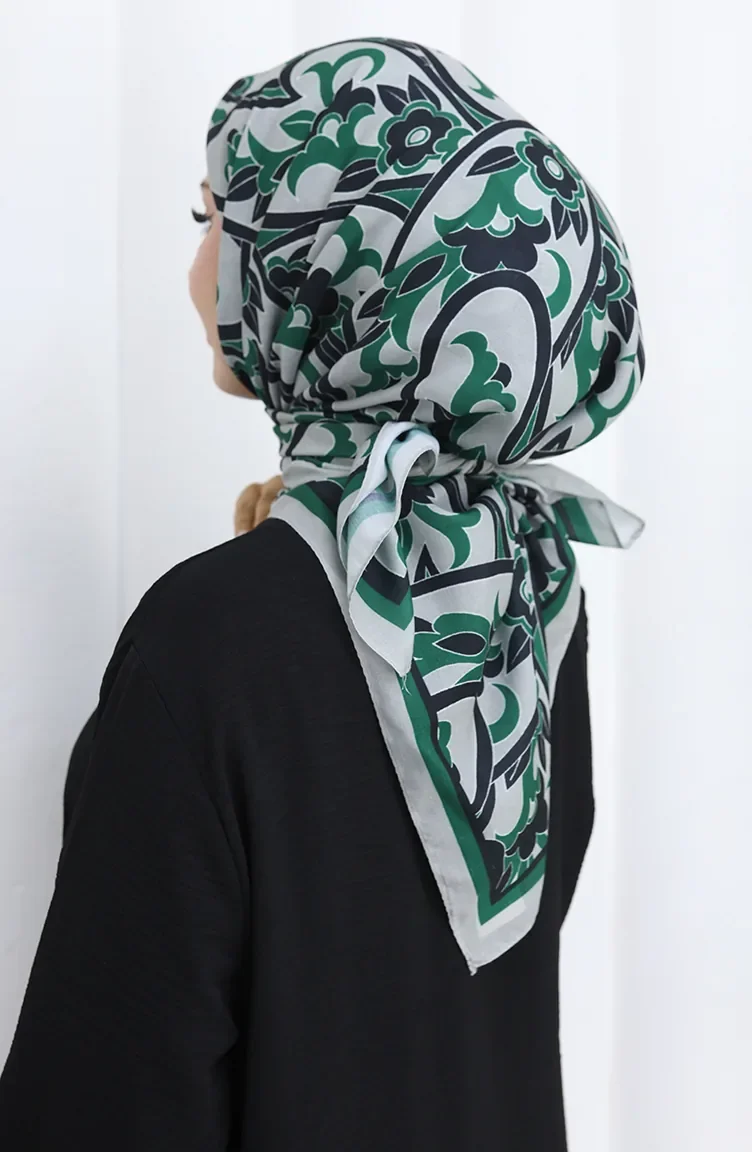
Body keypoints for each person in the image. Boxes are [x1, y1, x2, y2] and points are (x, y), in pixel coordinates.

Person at [0, 36, 644, 1151]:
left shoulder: (210, 638)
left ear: (321, 270)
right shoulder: (529, 601)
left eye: (214, 222)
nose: (197, 268)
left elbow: (102, 1102)